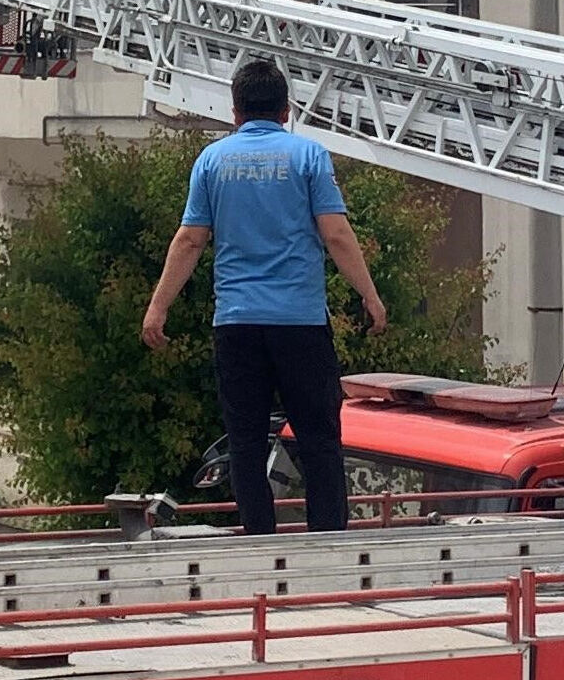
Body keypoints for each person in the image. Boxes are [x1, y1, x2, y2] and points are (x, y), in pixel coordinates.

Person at [141, 59, 390, 534]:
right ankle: (327, 543)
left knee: (246, 443)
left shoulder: (211, 161)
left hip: (236, 323)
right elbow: (336, 233)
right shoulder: (309, 156)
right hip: (300, 323)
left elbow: (190, 240)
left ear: (235, 112)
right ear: (287, 111)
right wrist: (370, 297)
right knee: (320, 440)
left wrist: (158, 307)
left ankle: (259, 543)